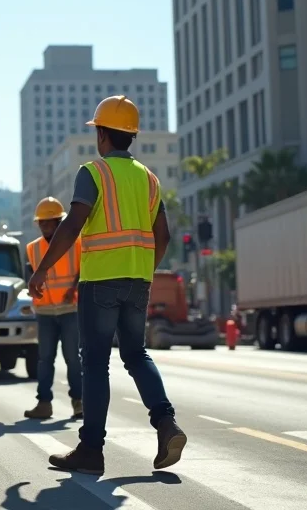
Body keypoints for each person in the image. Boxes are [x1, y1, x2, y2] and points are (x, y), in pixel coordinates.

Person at [27, 95, 185, 476]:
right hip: (137, 281)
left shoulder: (93, 172)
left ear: (101, 134)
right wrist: (143, 268)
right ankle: (166, 423)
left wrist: (42, 269)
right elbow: (163, 234)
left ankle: (91, 450)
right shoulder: (149, 178)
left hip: (100, 283)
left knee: (95, 362)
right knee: (136, 354)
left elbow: (71, 226)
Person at [23, 197, 83, 421]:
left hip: (70, 309)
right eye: (42, 222)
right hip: (46, 312)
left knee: (73, 359)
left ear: (59, 222)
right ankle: (44, 404)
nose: (45, 226)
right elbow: (32, 277)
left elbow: (83, 270)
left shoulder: (76, 243)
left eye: (49, 222)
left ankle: (79, 402)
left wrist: (73, 289)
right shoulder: (32, 249)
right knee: (44, 359)